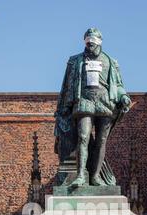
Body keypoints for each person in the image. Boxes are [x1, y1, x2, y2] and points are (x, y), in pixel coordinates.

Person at [54, 28, 132, 187]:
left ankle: (95, 177)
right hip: (84, 102)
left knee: (101, 141)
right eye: (88, 42)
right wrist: (63, 109)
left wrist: (124, 96)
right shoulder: (75, 61)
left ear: (99, 42)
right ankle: (81, 175)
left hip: (105, 103)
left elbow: (118, 85)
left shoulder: (110, 61)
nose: (90, 45)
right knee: (83, 137)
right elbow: (67, 86)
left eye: (93, 43)